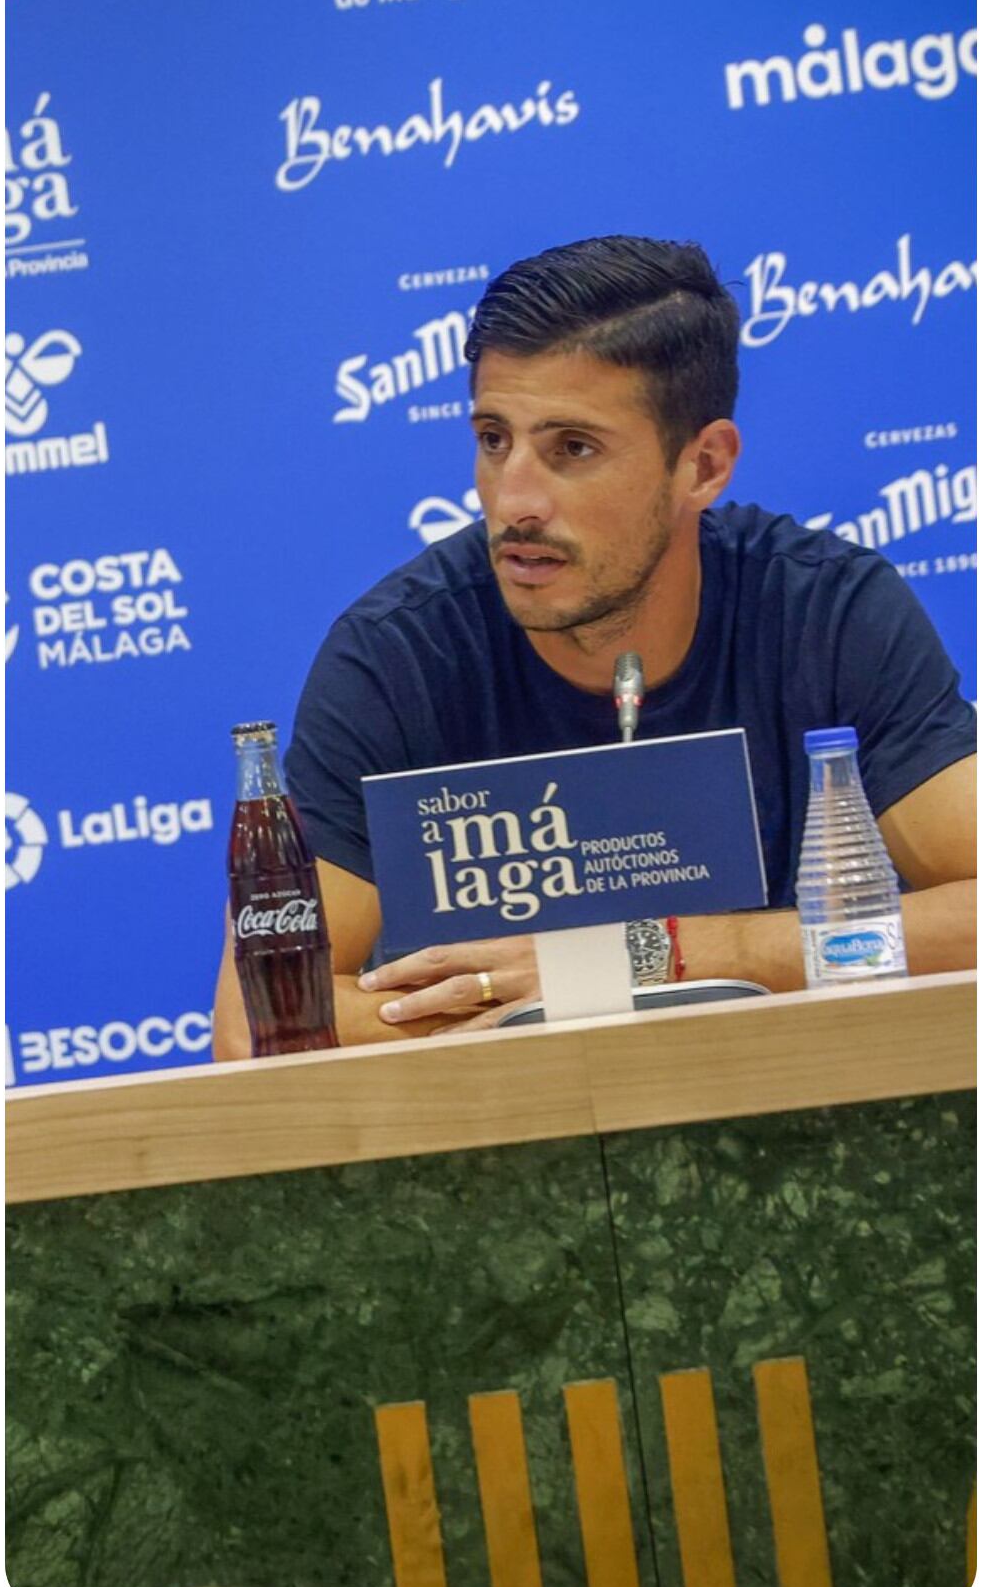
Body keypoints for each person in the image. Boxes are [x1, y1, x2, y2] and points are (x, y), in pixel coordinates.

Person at [214, 235, 975, 1055]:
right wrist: (532, 1007)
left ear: (705, 465)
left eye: (572, 448)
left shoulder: (827, 611)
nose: (514, 500)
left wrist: (673, 954)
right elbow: (255, 1026)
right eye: (494, 438)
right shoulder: (398, 657)